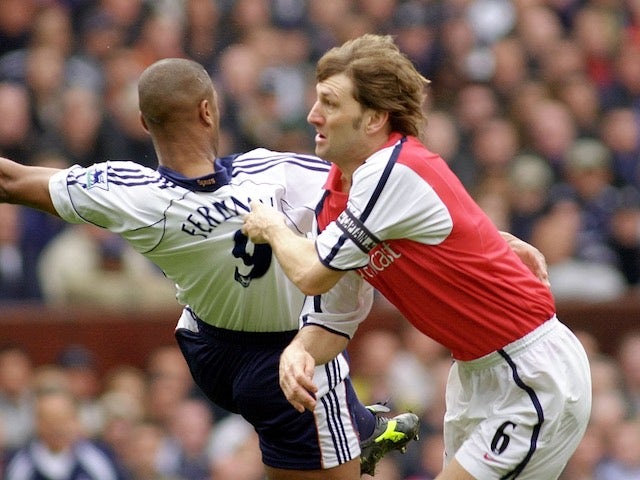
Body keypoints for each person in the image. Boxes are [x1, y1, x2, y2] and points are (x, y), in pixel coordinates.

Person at [0, 57, 420, 480]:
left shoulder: (128, 192)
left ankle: (357, 425)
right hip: (285, 363)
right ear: (207, 110)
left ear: (145, 123)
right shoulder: (279, 173)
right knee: (325, 309)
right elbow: (378, 183)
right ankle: (357, 431)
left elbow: (12, 182)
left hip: (207, 352)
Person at [242, 34, 592, 480]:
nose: (314, 115)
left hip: (528, 369)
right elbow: (333, 319)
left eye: (330, 103)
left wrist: (271, 226)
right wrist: (299, 351)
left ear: (373, 118)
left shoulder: (393, 169)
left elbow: (311, 272)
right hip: (476, 375)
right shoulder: (336, 199)